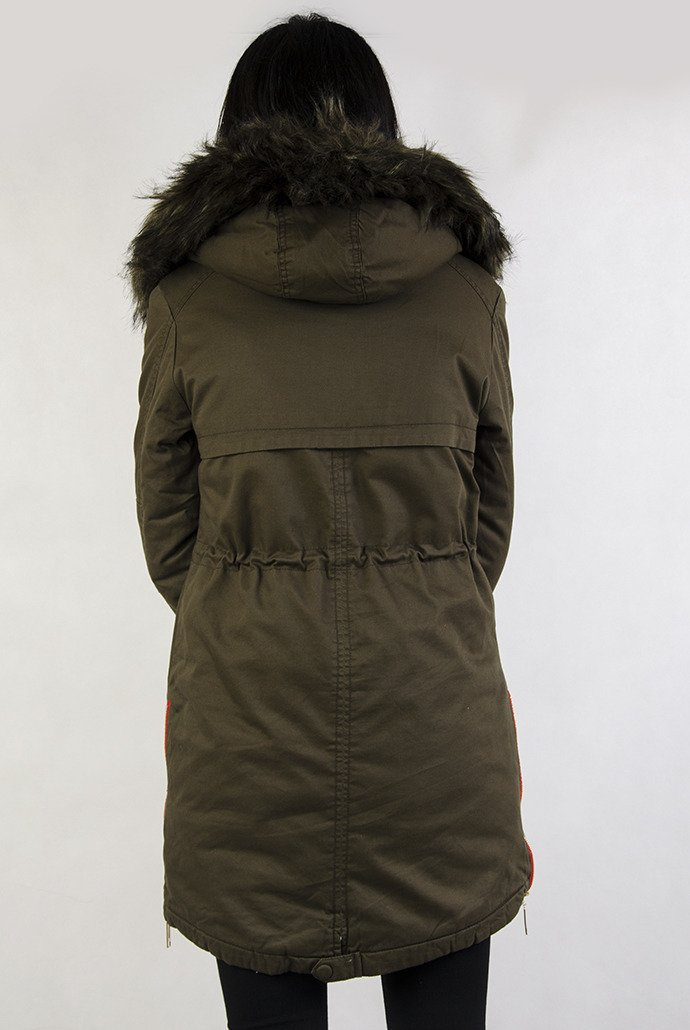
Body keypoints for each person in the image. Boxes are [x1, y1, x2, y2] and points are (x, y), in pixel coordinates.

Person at [124, 11, 534, 1030]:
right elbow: (487, 526)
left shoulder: (186, 302)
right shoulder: (465, 293)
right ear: (382, 127)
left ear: (235, 134)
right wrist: (415, 591)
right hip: (436, 731)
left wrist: (247, 606)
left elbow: (170, 538)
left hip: (249, 738)